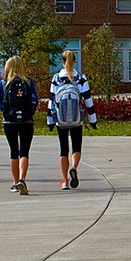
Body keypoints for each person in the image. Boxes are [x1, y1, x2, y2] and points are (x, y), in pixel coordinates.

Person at [47, 49, 97, 188]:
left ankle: (64, 180)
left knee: (63, 149)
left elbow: (51, 100)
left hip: (60, 120)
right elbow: (88, 100)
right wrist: (93, 120)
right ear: (74, 61)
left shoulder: (56, 78)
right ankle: (74, 167)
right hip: (77, 119)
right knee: (76, 147)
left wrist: (50, 121)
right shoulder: (81, 78)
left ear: (62, 62)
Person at [0, 55, 39, 195]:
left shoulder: (2, 84)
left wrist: (8, 113)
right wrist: (28, 113)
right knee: (24, 151)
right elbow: (34, 101)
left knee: (13, 151)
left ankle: (15, 183)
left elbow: (1, 104)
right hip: (26, 121)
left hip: (9, 122)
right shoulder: (29, 83)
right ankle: (22, 179)